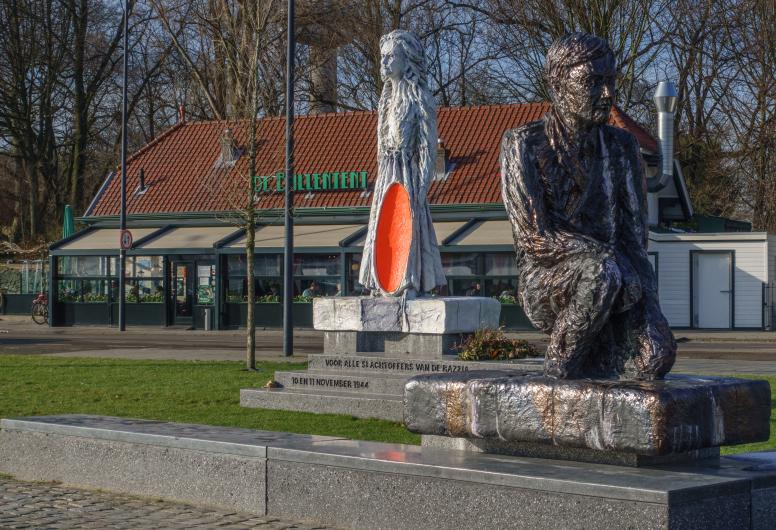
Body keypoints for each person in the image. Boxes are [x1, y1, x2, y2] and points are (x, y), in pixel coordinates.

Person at [500, 33, 676, 380]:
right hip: (549, 277)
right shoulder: (523, 144)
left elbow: (634, 237)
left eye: (610, 81)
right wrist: (605, 258)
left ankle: (605, 360)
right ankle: (558, 370)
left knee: (658, 356)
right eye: (593, 82)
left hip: (619, 275)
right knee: (601, 273)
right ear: (558, 85)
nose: (607, 94)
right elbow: (535, 236)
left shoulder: (622, 146)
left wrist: (650, 309)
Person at [358, 30, 446, 297]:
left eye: (390, 57)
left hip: (407, 170)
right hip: (388, 169)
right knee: (381, 225)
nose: (384, 63)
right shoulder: (384, 100)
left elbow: (427, 145)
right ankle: (380, 280)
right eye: (382, 58)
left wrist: (421, 185)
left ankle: (406, 280)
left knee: (406, 224)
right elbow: (380, 143)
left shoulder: (420, 98)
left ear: (406, 60)